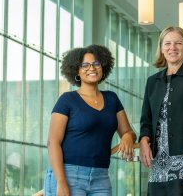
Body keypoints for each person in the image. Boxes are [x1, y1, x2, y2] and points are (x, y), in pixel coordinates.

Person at [43, 44, 136, 196]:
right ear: (76, 71)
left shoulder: (112, 99)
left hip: (101, 177)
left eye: (96, 63)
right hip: (68, 174)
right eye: (84, 65)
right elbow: (53, 142)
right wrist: (61, 182)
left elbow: (128, 132)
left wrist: (127, 136)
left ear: (103, 67)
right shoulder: (67, 100)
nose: (91, 68)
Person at [139, 26, 183, 196]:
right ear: (162, 48)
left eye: (178, 43)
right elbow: (146, 119)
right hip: (158, 162)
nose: (173, 48)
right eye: (168, 43)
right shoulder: (152, 82)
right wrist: (143, 141)